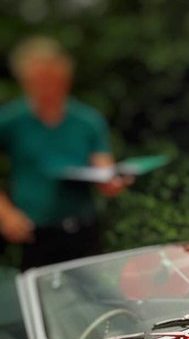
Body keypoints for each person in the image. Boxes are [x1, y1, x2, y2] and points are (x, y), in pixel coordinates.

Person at [0, 36, 128, 269]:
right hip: (33, 234)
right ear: (25, 80)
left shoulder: (87, 121)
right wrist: (5, 212)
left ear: (65, 77)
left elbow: (103, 169)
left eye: (53, 79)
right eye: (39, 80)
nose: (47, 86)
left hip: (83, 229)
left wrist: (112, 182)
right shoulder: (10, 121)